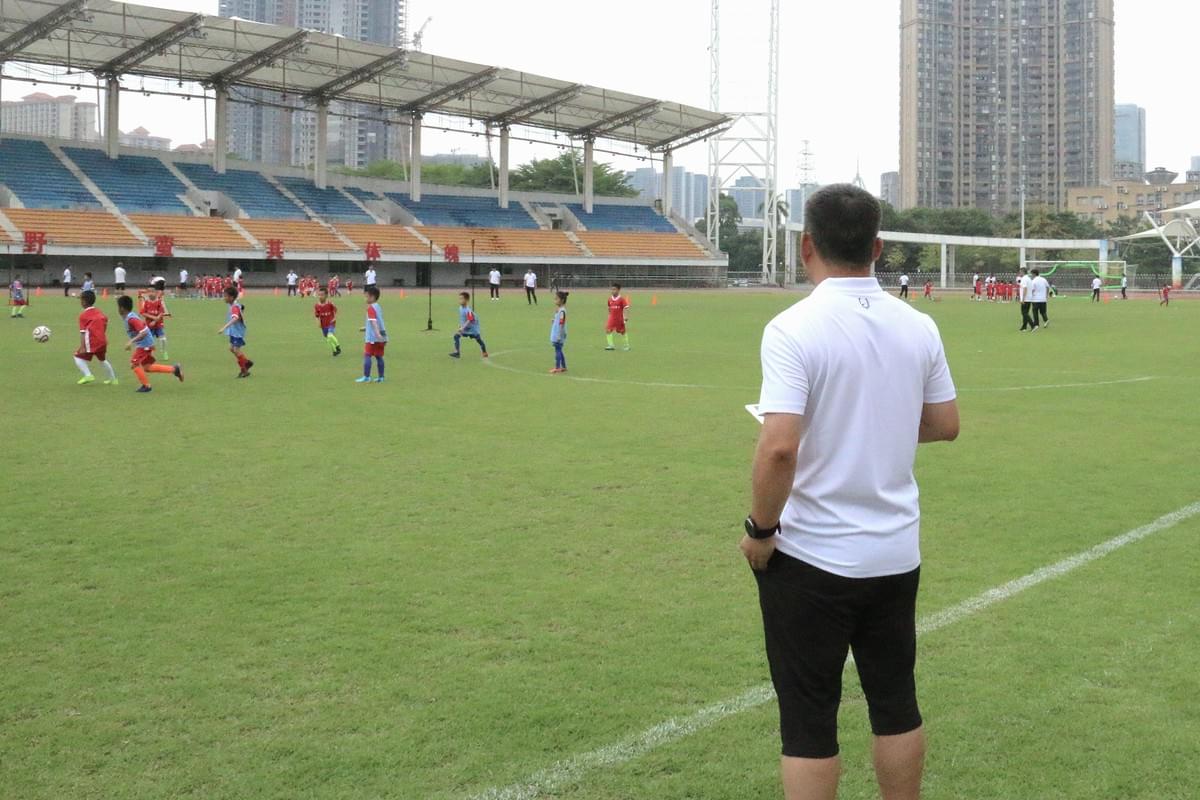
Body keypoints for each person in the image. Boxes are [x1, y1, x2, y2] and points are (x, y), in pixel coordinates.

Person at [741, 185, 959, 800]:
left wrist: (759, 531)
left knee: (809, 721)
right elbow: (944, 423)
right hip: (894, 553)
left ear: (807, 246)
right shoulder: (917, 323)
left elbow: (779, 445)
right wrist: (878, 421)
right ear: (878, 247)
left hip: (811, 556)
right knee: (896, 704)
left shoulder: (793, 327)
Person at [118, 294, 181, 392]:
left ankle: (146, 386)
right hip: (145, 343)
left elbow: (144, 332)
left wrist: (131, 341)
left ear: (122, 308)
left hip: (145, 344)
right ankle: (174, 369)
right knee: (147, 367)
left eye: (118, 307)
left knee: (134, 364)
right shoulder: (129, 317)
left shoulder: (132, 319)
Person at [73, 289, 118, 386]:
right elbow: (104, 324)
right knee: (102, 360)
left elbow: (83, 333)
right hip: (102, 340)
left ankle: (88, 375)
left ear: (84, 302)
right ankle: (113, 380)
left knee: (77, 357)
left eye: (81, 300)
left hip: (92, 341)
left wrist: (83, 346)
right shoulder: (100, 313)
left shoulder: (83, 316)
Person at [217, 285, 253, 378]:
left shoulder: (234, 307)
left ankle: (244, 370)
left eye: (225, 296)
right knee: (231, 349)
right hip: (234, 331)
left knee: (236, 350)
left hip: (238, 332)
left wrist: (224, 328)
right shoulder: (234, 304)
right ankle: (247, 362)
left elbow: (235, 318)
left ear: (231, 297)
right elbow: (242, 307)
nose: (224, 298)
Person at [356, 286, 387, 383]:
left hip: (373, 337)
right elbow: (378, 321)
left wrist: (377, 335)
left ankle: (366, 377)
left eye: (366, 296)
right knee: (379, 356)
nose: (365, 299)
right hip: (383, 335)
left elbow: (373, 322)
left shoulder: (370, 308)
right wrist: (366, 328)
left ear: (372, 297)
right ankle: (381, 377)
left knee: (367, 355)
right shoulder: (378, 307)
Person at [450, 292, 488, 359]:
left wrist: (462, 328)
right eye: (459, 299)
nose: (460, 300)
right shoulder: (460, 308)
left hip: (473, 328)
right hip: (465, 328)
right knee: (456, 336)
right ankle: (457, 352)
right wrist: (460, 326)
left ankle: (484, 352)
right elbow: (463, 318)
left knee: (478, 339)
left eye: (462, 299)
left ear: (466, 300)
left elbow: (470, 319)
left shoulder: (468, 310)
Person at [139, 280, 170, 360]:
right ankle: (150, 354)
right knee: (149, 341)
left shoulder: (159, 302)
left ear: (155, 292)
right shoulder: (146, 303)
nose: (150, 293)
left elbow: (161, 313)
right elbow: (143, 313)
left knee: (163, 339)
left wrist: (155, 320)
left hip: (158, 325)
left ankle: (164, 352)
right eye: (148, 292)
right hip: (149, 325)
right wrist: (153, 318)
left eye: (152, 292)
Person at [314, 287, 342, 357]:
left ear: (326, 295)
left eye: (322, 295)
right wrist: (318, 323)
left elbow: (336, 310)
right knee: (328, 339)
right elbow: (317, 316)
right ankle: (334, 351)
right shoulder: (317, 306)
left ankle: (338, 347)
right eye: (319, 295)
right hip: (323, 324)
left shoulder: (330, 304)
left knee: (330, 335)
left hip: (331, 323)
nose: (320, 296)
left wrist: (335, 318)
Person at [604, 283, 631, 351]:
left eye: (614, 289)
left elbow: (626, 308)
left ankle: (627, 345)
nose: (613, 291)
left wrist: (625, 316)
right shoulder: (610, 299)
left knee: (622, 332)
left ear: (618, 290)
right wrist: (609, 316)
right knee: (608, 330)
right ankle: (611, 345)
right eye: (612, 289)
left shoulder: (621, 299)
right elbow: (609, 308)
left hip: (619, 318)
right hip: (612, 318)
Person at [550, 290, 568, 374]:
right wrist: (554, 320)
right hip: (558, 333)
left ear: (562, 300)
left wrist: (558, 336)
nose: (555, 301)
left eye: (556, 299)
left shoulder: (562, 311)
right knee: (560, 350)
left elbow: (561, 324)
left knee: (557, 350)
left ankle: (557, 367)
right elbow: (559, 321)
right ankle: (564, 366)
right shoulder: (560, 310)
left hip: (558, 334)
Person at [1017, 267, 1034, 332]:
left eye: (1020, 272)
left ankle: (1032, 325)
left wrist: (1023, 299)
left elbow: (1025, 288)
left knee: (1024, 313)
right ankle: (1024, 327)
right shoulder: (1029, 279)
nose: (1019, 273)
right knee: (1025, 313)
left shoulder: (1024, 279)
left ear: (1023, 272)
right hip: (1029, 298)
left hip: (1025, 299)